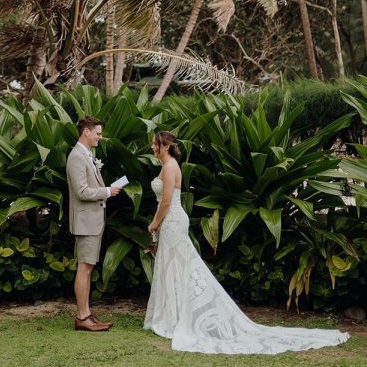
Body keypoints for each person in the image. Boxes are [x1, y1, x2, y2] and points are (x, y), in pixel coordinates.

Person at [144, 131, 349, 355]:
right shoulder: (168, 166)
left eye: (155, 143)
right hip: (171, 221)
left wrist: (154, 223)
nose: (153, 146)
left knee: (177, 267)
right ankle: (172, 314)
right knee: (172, 267)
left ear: (164, 146)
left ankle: (179, 316)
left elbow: (165, 201)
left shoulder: (170, 166)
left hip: (171, 220)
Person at [66, 116, 122, 332]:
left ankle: (87, 313)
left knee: (88, 268)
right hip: (85, 222)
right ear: (86, 132)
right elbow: (81, 191)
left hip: (92, 221)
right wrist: (107, 191)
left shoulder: (87, 155)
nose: (100, 137)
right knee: (84, 268)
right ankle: (82, 317)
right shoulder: (77, 157)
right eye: (98, 133)